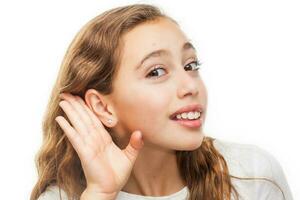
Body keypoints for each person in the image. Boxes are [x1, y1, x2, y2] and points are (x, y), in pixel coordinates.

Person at [30, 3, 293, 200]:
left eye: (191, 65)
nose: (191, 85)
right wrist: (101, 193)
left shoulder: (251, 175)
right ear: (103, 107)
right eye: (156, 71)